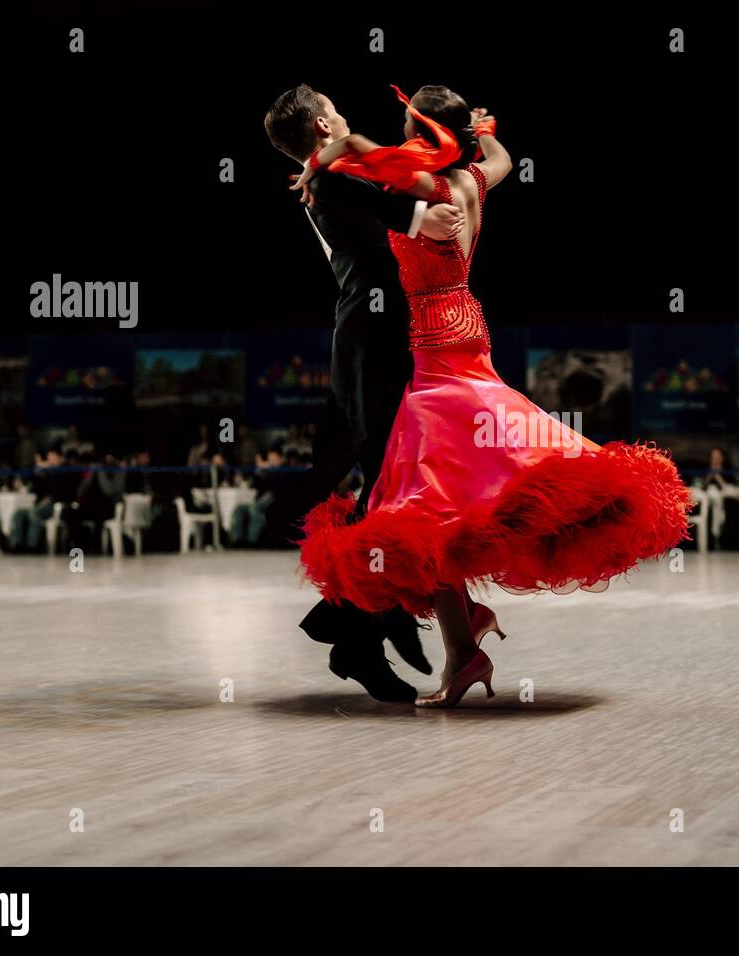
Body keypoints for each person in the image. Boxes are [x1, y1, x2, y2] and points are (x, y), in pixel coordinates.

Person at [292, 85, 691, 707]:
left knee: (422, 503)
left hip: (425, 338)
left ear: (422, 130)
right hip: (468, 324)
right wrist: (484, 132)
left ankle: (451, 642)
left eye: (407, 123)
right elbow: (499, 160)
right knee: (454, 487)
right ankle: (461, 642)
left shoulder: (416, 185)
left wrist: (321, 166)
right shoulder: (474, 178)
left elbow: (363, 172)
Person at [264, 83, 468, 701]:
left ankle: (378, 620)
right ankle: (359, 633)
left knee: (392, 488)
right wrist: (417, 217)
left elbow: (362, 157)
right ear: (321, 126)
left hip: (375, 339)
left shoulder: (330, 167)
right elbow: (352, 184)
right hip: (368, 342)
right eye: (334, 109)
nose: (344, 113)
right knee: (388, 489)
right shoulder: (326, 180)